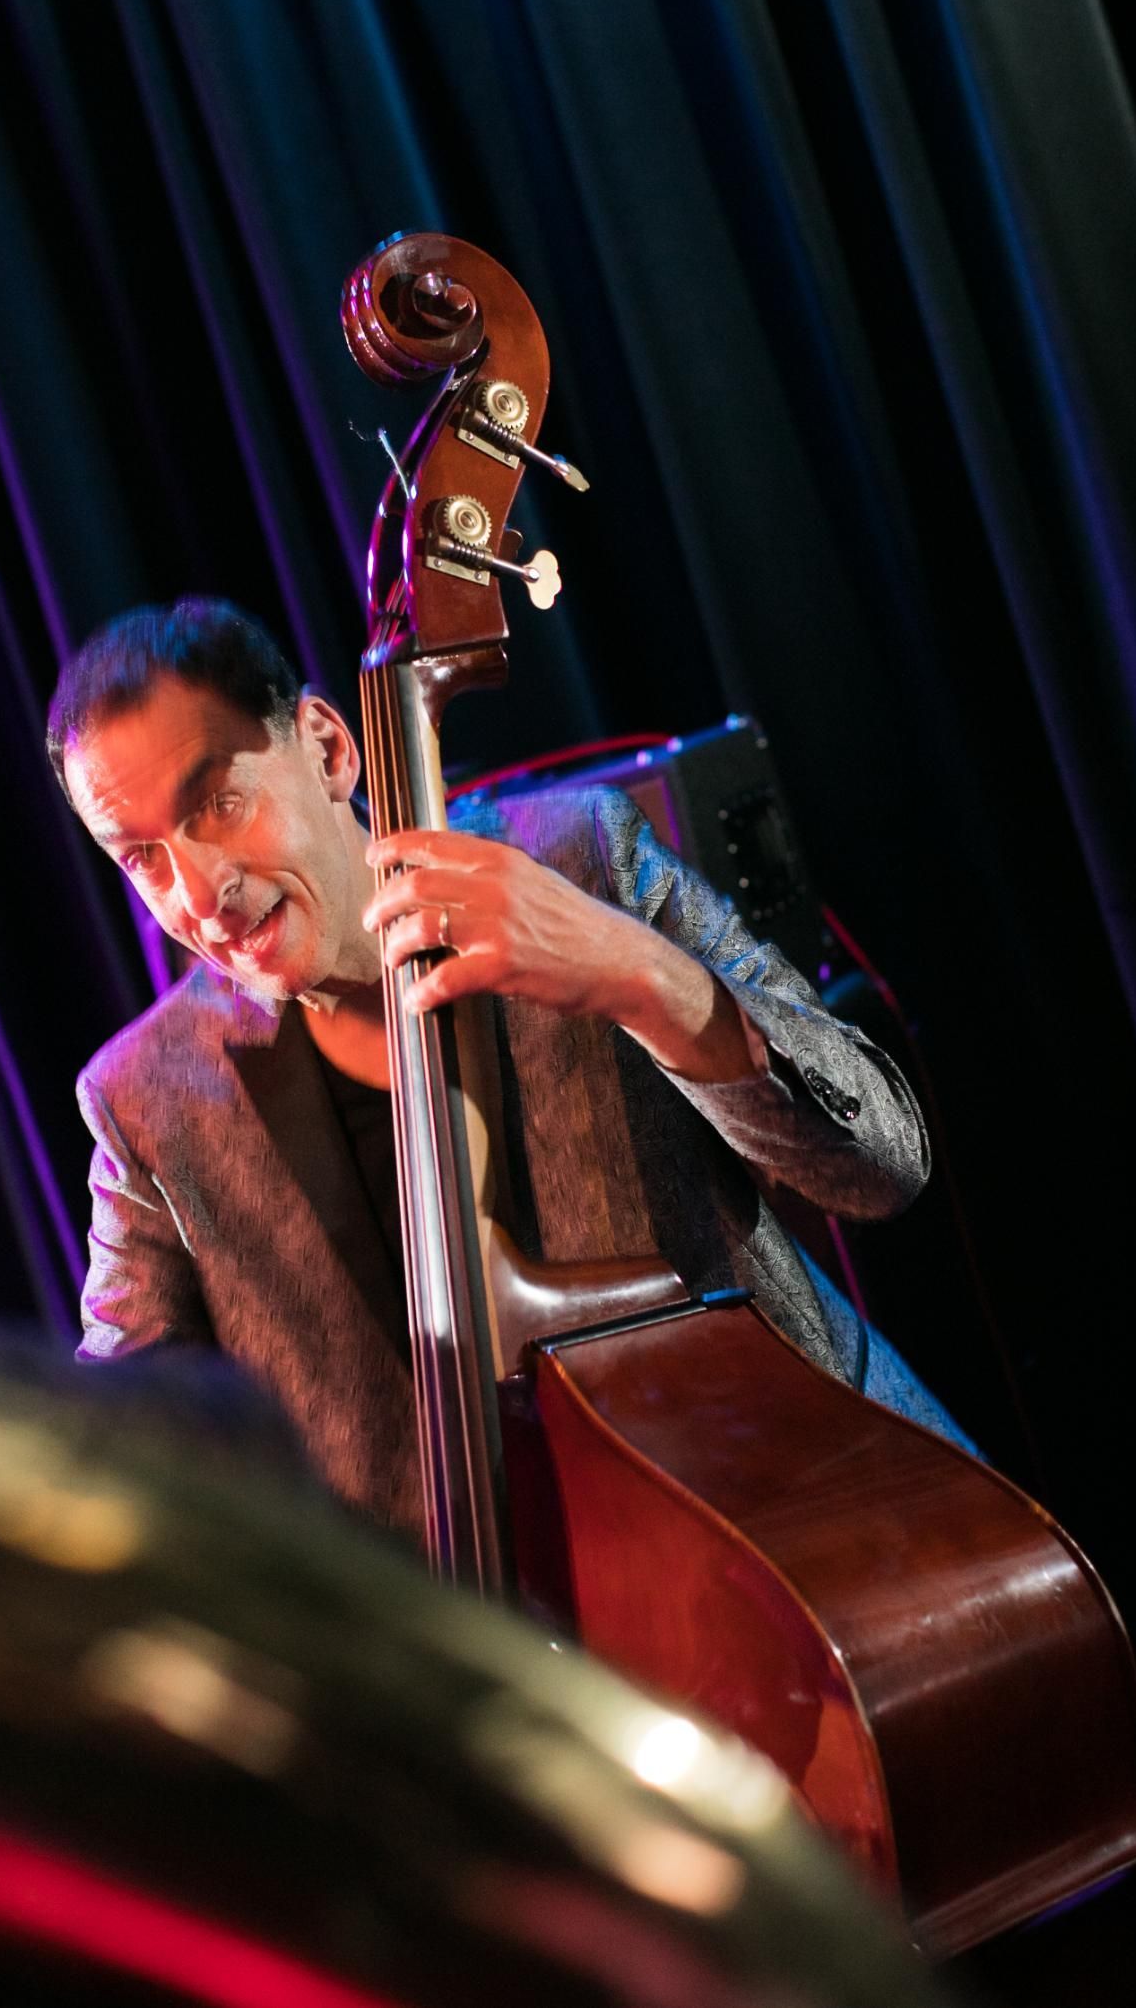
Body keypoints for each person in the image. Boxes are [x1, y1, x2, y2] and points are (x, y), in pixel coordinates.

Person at [48, 597, 972, 1533]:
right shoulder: (147, 1100)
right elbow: (125, 1442)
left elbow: (882, 1162)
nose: (202, 895)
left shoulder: (577, 858)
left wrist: (644, 977)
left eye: (222, 803)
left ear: (328, 747)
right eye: (144, 861)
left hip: (821, 1512)